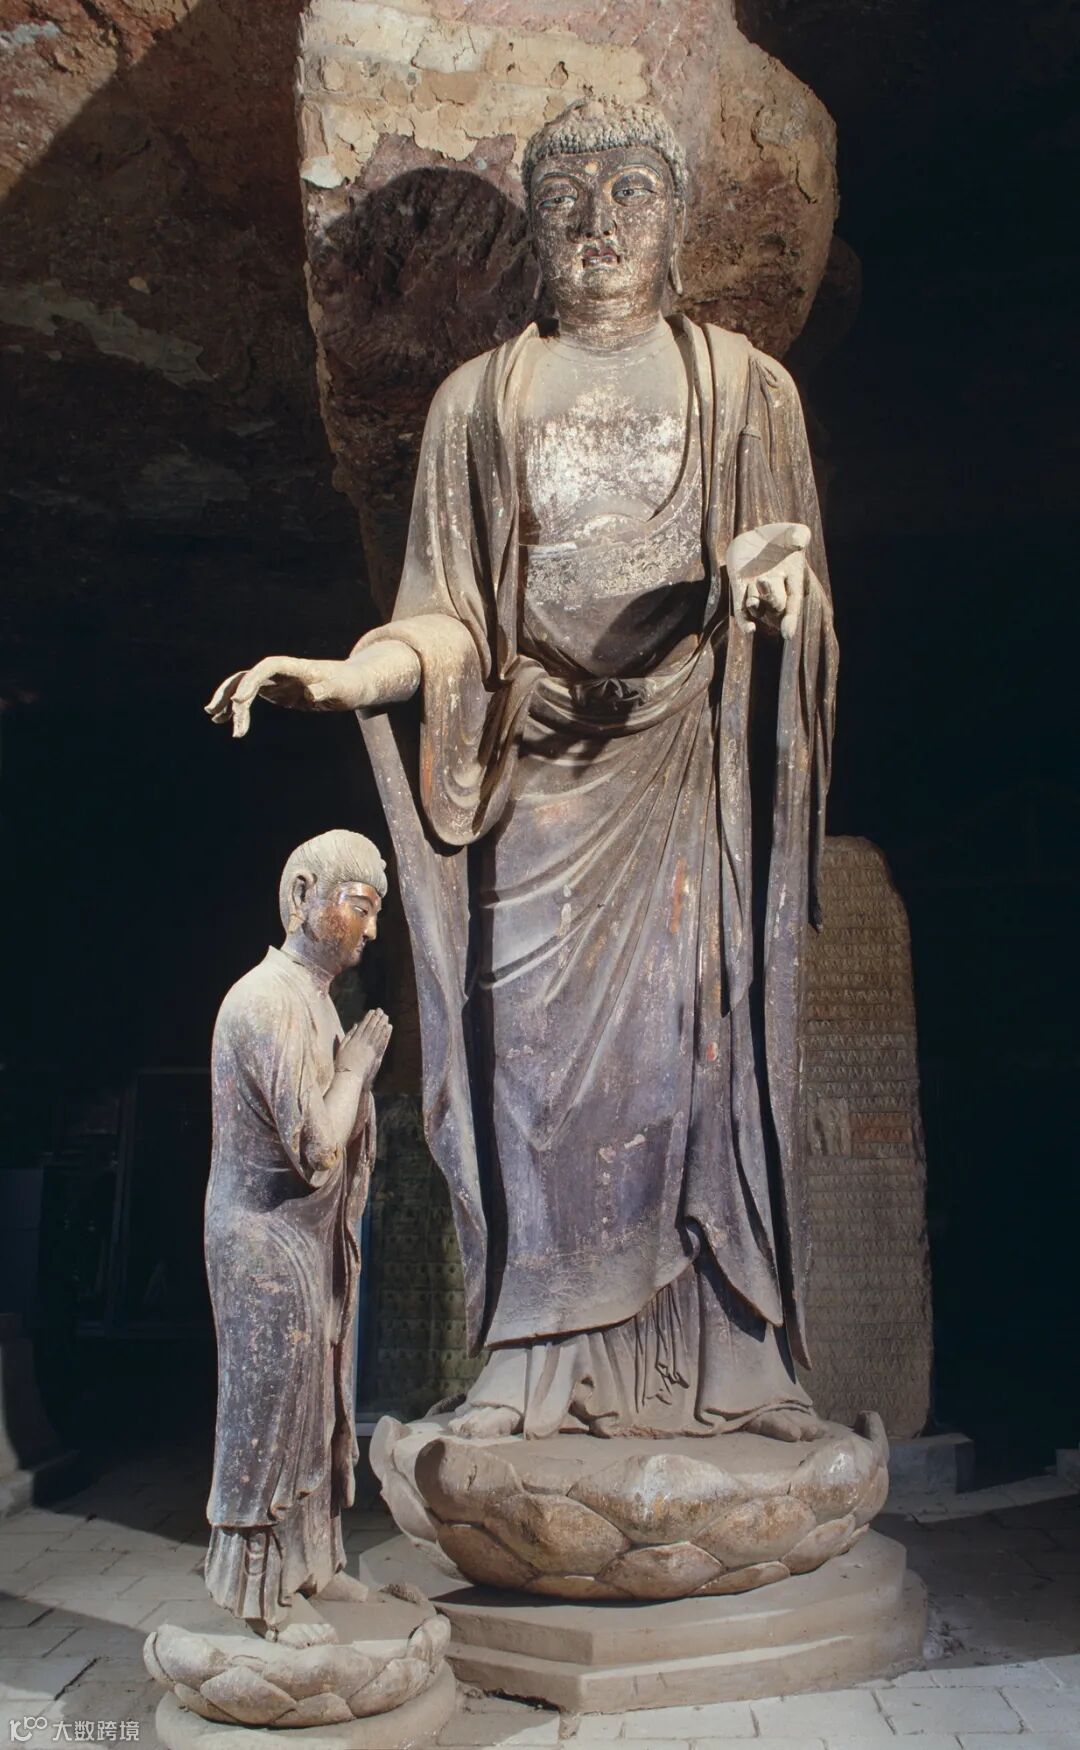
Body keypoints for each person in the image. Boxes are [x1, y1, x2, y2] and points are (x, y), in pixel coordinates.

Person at [207, 100, 838, 1444]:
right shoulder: (479, 402)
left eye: (630, 194)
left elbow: (798, 587)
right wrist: (351, 674)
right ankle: (531, 1355)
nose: (599, 227)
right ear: (534, 234)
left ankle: (734, 1361)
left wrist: (780, 596)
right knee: (527, 1072)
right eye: (566, 201)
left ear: (677, 220)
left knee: (697, 1060)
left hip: (686, 774)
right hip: (535, 781)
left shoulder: (746, 390)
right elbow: (446, 617)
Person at [204, 830, 392, 1631]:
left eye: (375, 912)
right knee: (268, 1418)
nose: (370, 930)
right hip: (263, 1240)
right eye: (360, 906)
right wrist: (354, 1071)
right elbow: (317, 1149)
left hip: (307, 1245)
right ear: (303, 895)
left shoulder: (314, 1002)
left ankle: (312, 1565)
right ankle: (259, 1598)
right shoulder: (265, 1001)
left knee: (318, 1414)